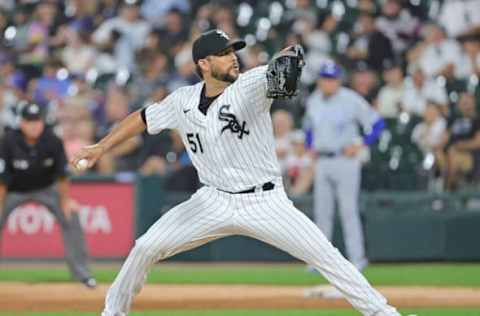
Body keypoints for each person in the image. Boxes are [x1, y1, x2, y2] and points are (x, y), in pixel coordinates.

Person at [72, 29, 400, 316]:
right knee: (144, 247)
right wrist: (101, 147)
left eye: (234, 52)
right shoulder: (182, 100)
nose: (233, 58)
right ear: (203, 63)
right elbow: (144, 117)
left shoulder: (252, 84)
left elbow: (279, 68)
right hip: (211, 201)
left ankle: (384, 313)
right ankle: (113, 312)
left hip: (265, 202)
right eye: (224, 53)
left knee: (327, 256)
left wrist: (290, 55)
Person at [0, 102, 95, 288]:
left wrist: (66, 201)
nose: (34, 125)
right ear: (22, 123)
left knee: (71, 215)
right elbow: (2, 177)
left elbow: (62, 175)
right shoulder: (8, 141)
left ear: (43, 122)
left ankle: (82, 274)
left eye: (37, 120)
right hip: (13, 190)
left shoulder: (53, 140)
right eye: (29, 121)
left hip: (46, 188)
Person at [305, 61, 384, 272]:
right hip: (322, 160)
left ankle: (357, 259)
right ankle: (320, 262)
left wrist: (360, 144)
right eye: (324, 78)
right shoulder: (314, 100)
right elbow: (309, 128)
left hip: (345, 161)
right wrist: (310, 145)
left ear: (338, 80)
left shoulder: (351, 99)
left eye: (331, 78)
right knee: (322, 213)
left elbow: (377, 124)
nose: (327, 82)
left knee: (348, 211)